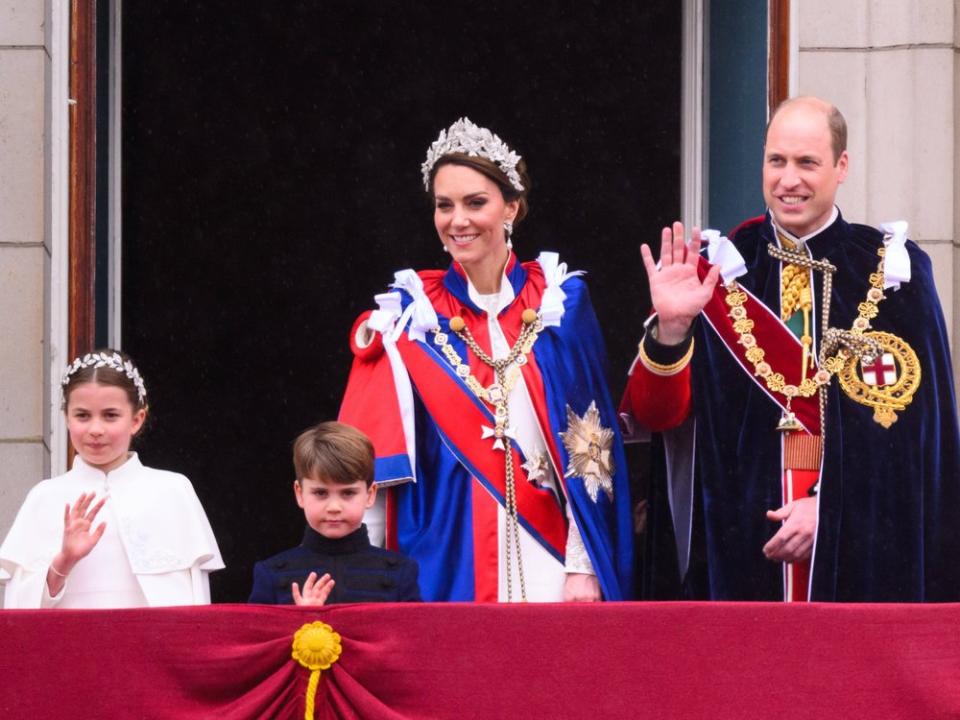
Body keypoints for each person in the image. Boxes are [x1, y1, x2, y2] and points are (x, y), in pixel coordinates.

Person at [622, 96, 960, 602]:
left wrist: (834, 507)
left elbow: (919, 442)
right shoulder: (718, 271)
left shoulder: (892, 273)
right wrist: (671, 328)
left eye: (807, 163)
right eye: (776, 160)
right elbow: (657, 417)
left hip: (861, 550)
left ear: (841, 166)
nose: (788, 180)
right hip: (740, 544)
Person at [339, 117, 634, 602]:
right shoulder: (411, 314)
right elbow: (371, 459)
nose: (459, 220)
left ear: (511, 208)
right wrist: (363, 573)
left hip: (550, 552)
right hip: (445, 550)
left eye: (476, 203)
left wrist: (584, 566)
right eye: (444, 205)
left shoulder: (561, 301)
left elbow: (592, 442)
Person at [0, 349, 223, 608]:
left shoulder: (173, 490)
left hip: (153, 647)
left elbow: (194, 607)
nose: (96, 429)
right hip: (73, 647)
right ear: (66, 419)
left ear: (137, 419)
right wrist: (64, 560)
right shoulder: (45, 496)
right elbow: (18, 615)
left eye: (110, 415)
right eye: (82, 415)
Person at [248, 421, 420, 605]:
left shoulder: (400, 572)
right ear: (299, 493)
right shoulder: (271, 574)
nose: (334, 507)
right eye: (320, 493)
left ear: (370, 495)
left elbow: (414, 633)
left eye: (348, 493)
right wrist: (299, 619)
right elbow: (256, 634)